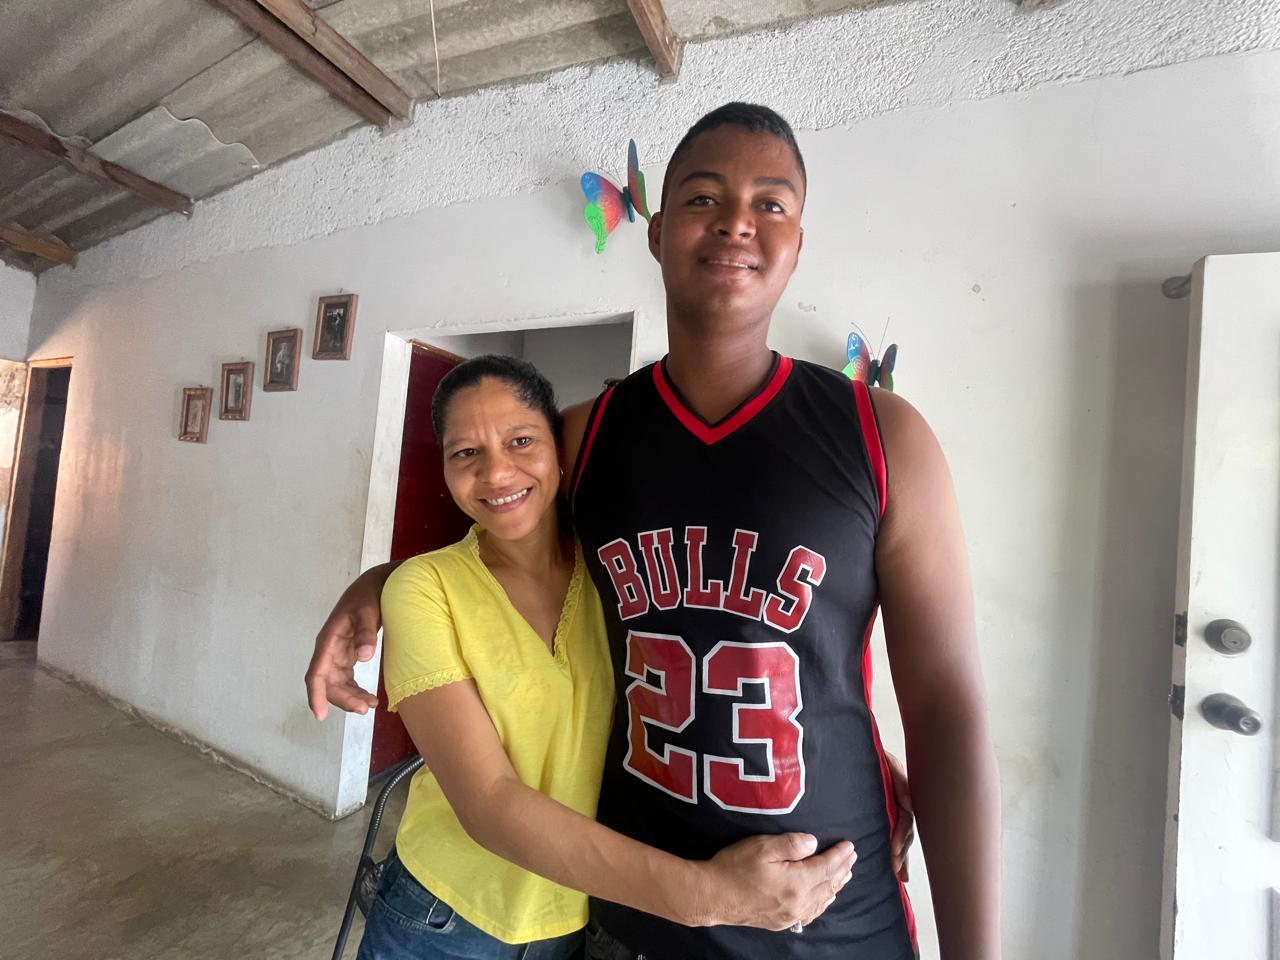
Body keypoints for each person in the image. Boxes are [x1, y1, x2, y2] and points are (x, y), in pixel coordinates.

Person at [310, 103, 1000, 959]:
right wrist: (379, 582)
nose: (738, 221)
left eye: (770, 203)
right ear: (659, 231)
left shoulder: (882, 436)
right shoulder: (585, 437)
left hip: (831, 920)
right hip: (636, 920)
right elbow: (491, 546)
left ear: (797, 242)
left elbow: (946, 707)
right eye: (704, 197)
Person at [356, 354, 859, 959]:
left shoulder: (617, 574)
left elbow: (713, 672)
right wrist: (708, 895)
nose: (496, 472)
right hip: (444, 916)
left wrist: (850, 748)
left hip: (586, 917)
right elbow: (487, 801)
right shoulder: (423, 589)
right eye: (466, 452)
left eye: (521, 441)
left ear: (559, 450)